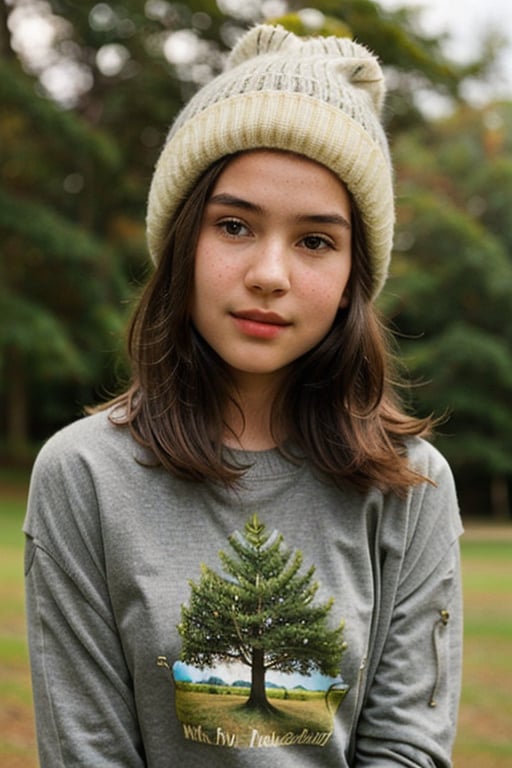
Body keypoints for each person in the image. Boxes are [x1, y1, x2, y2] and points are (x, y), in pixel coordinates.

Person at [24, 22, 463, 768]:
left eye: (315, 240)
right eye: (234, 225)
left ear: (355, 273)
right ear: (183, 243)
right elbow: (87, 752)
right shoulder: (83, 477)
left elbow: (406, 748)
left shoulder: (412, 486)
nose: (270, 273)